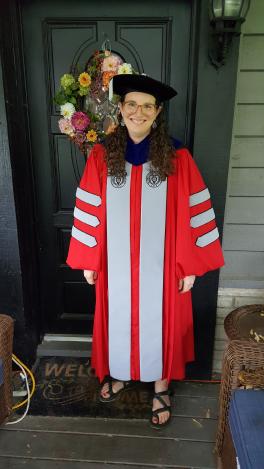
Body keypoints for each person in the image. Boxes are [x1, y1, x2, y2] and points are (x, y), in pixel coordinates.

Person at [66, 73, 225, 428]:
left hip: (164, 264)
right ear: (121, 109)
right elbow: (90, 207)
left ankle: (161, 386)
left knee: (163, 320)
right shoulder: (102, 155)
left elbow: (194, 210)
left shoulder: (178, 156)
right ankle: (120, 372)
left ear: (157, 112)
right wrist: (88, 260)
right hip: (116, 263)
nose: (139, 112)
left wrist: (192, 266)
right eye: (132, 105)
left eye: (147, 106)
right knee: (118, 316)